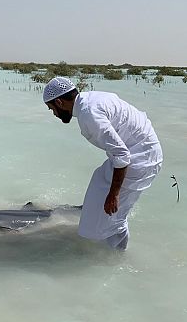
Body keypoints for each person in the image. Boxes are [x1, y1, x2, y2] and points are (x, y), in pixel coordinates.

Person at [43, 76, 163, 250]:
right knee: (98, 190)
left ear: (60, 102)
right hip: (138, 151)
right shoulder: (91, 98)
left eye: (51, 108)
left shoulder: (88, 115)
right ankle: (109, 235)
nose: (54, 114)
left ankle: (117, 255)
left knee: (113, 216)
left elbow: (122, 155)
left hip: (141, 159)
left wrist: (113, 194)